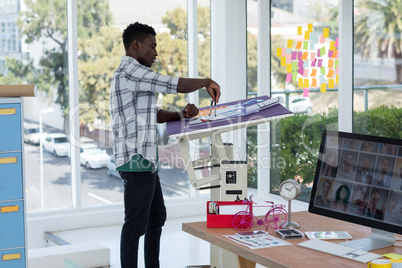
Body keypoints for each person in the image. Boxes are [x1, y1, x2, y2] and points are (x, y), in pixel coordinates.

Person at [109, 22, 221, 268]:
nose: (155, 53)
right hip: (136, 160)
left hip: (144, 160)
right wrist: (206, 81)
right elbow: (175, 85)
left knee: (156, 217)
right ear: (136, 45)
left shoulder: (133, 75)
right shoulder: (131, 71)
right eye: (152, 46)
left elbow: (154, 114)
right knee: (134, 226)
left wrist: (181, 115)